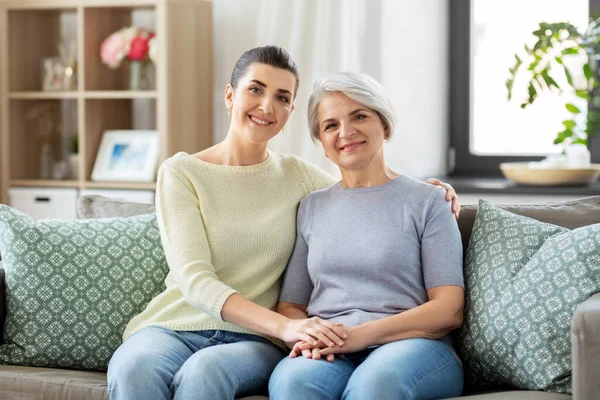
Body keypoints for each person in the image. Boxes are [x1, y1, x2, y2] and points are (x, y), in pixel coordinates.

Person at [107, 47, 460, 400]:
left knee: (205, 372)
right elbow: (196, 280)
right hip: (178, 325)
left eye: (282, 97)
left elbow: (363, 190)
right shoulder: (182, 172)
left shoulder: (301, 178)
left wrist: (431, 191)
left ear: (290, 110)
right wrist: (289, 327)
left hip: (255, 340)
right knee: (133, 368)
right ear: (230, 95)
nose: (266, 107)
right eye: (255, 90)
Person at [269, 71, 465, 400]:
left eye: (359, 116)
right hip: (333, 345)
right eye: (330, 125)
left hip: (414, 347)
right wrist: (310, 333)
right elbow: (291, 305)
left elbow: (448, 309)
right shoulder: (311, 207)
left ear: (384, 125)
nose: (346, 132)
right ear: (322, 143)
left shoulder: (430, 201)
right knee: (292, 383)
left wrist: (359, 335)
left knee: (376, 385)